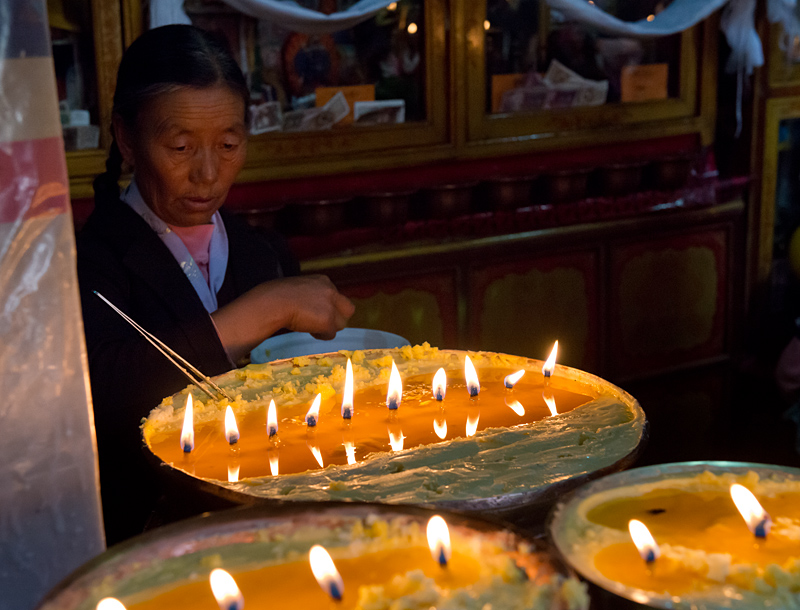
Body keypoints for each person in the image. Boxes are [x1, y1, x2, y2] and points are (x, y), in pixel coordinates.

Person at [77, 24, 354, 544]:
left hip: (269, 527)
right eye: (180, 147)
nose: (208, 173)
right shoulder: (91, 262)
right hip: (151, 539)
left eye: (228, 143)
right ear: (126, 139)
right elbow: (106, 397)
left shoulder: (261, 254)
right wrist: (263, 311)